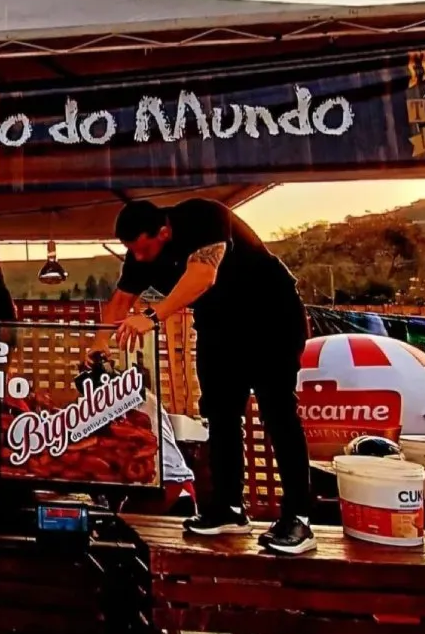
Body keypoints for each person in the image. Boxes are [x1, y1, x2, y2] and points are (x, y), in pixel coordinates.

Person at [93, 198, 315, 555]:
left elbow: (202, 275)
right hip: (218, 325)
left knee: (278, 413)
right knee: (221, 415)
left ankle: (299, 519)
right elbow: (121, 300)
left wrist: (152, 317)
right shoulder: (140, 254)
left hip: (270, 314)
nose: (142, 258)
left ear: (164, 231)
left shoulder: (204, 216)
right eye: (133, 251)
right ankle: (229, 508)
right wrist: (98, 345)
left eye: (146, 248)